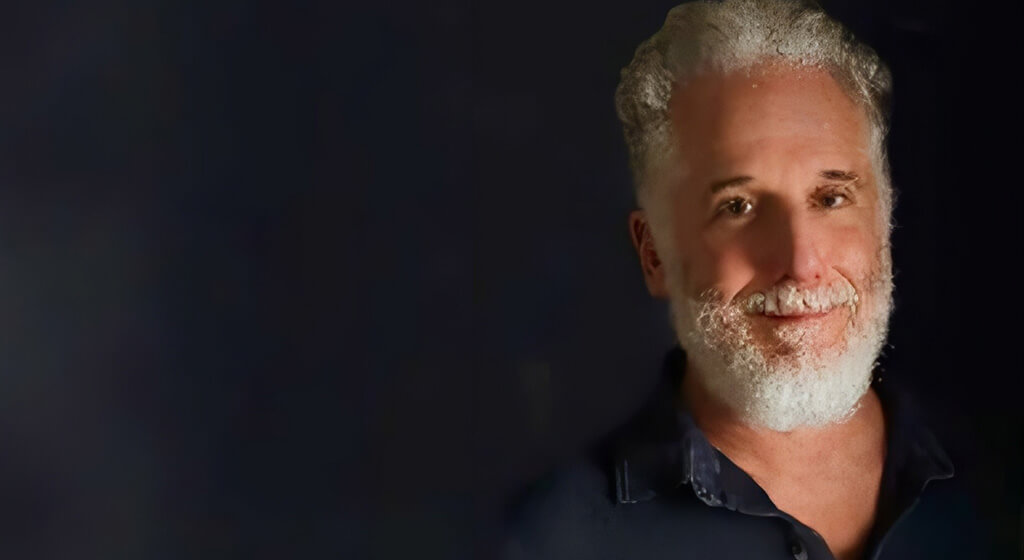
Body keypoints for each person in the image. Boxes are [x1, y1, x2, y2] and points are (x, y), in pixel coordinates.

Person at [500, 1, 986, 558]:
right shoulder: (553, 543)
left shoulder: (997, 494)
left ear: (884, 217)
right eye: (739, 206)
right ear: (654, 254)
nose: (801, 263)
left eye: (831, 197)